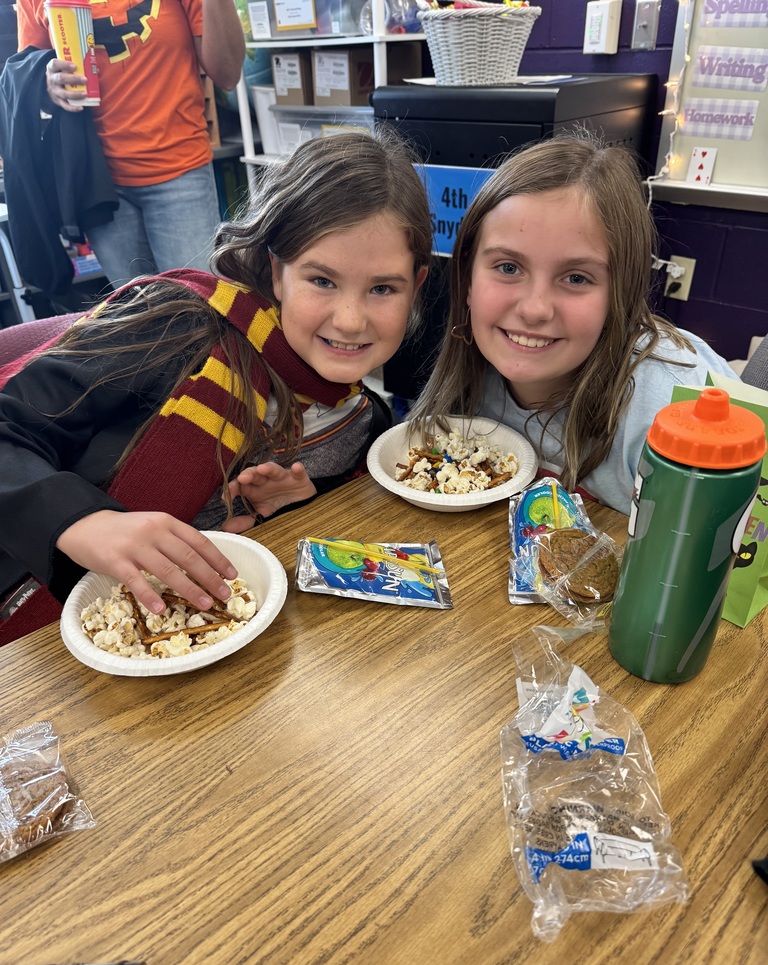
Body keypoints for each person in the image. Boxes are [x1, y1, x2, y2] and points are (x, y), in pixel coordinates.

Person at [0, 129, 431, 643]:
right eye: (321, 280)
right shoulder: (174, 329)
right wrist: (84, 521)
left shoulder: (367, 422)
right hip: (52, 634)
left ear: (417, 287)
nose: (351, 319)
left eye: (382, 288)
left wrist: (299, 504)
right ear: (276, 271)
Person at [408, 132, 739, 516]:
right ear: (467, 280)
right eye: (508, 267)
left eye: (577, 278)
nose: (534, 310)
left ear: (620, 296)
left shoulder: (670, 407)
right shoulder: (471, 374)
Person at [15, 0, 245, 288]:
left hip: (179, 171)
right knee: (137, 319)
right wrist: (46, 83)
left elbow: (227, 74)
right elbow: (23, 80)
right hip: (98, 185)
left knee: (201, 312)